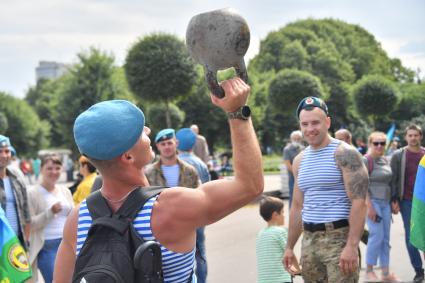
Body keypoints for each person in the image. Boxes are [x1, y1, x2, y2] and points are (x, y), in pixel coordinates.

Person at [53, 78, 263, 282]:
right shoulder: (172, 207)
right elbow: (250, 186)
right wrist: (237, 112)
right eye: (139, 131)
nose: (148, 130)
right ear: (128, 156)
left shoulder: (76, 220)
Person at [283, 96, 368, 282]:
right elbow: (297, 206)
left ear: (327, 122)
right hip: (309, 240)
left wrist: (352, 246)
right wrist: (290, 246)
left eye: (315, 122)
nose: (310, 129)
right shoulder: (299, 160)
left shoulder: (345, 154)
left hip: (339, 238)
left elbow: (359, 203)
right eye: (304, 124)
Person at [28, 155, 73, 283]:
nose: (54, 172)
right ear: (41, 169)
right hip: (47, 246)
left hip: (68, 243)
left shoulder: (65, 191)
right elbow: (29, 224)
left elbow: (72, 217)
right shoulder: (33, 193)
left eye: (57, 168)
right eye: (49, 168)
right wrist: (50, 212)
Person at [390, 124, 425, 282]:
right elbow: (393, 178)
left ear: (420, 136)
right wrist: (394, 199)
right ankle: (418, 270)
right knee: (412, 237)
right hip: (407, 202)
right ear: (406, 137)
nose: (413, 138)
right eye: (410, 135)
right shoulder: (399, 155)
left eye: (415, 135)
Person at [363, 132, 399, 282]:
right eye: (376, 143)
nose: (379, 146)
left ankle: (385, 273)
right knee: (376, 236)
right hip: (373, 203)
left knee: (385, 239)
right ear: (370, 143)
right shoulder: (366, 160)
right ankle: (369, 270)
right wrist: (369, 206)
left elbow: (390, 182)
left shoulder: (386, 160)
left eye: (382, 143)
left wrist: (393, 201)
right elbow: (362, 185)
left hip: (385, 203)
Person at [176, 127, 210, 283]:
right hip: (198, 216)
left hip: (176, 217)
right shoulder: (200, 164)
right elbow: (208, 191)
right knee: (200, 252)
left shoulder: (172, 163)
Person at [256, 196, 299, 283]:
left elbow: (272, 258)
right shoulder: (280, 232)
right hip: (281, 279)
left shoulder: (260, 234)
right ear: (275, 215)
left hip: (263, 280)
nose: (284, 215)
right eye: (282, 212)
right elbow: (290, 253)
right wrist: (298, 269)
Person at [0, 135, 31, 253]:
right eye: (0, 151)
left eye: (7, 151)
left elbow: (26, 213)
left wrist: (26, 240)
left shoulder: (17, 178)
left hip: (17, 243)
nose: (3, 155)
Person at [282, 130, 304, 206]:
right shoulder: (287, 149)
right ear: (291, 139)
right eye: (295, 139)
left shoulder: (303, 148)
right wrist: (297, 175)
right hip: (293, 177)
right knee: (293, 196)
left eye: (298, 139)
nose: (297, 140)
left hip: (303, 176)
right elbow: (288, 165)